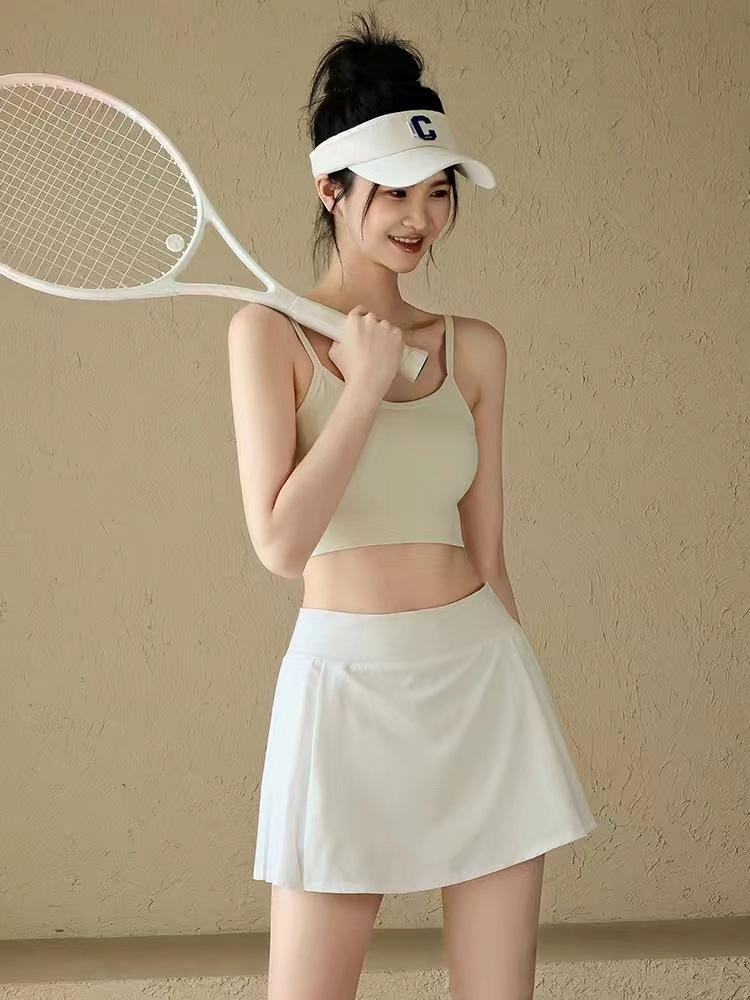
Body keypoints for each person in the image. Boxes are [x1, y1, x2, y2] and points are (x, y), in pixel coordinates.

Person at [227, 10, 598, 1000]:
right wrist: (359, 389)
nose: (420, 217)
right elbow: (281, 543)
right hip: (344, 691)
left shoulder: (475, 348)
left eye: (439, 191)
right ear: (331, 188)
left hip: (481, 681)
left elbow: (491, 554)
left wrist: (524, 688)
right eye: (393, 190)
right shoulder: (265, 335)